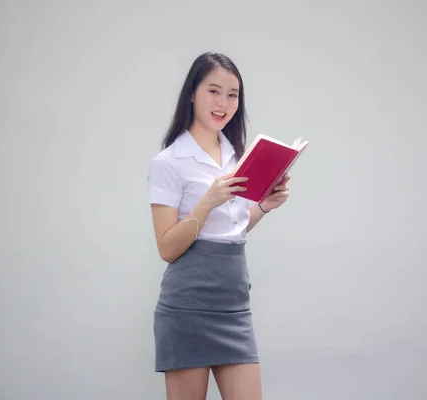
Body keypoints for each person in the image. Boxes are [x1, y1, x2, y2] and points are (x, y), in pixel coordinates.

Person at [146, 51, 291, 400]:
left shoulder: (237, 156)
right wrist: (208, 201)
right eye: (214, 91)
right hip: (187, 306)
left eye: (232, 94)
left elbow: (231, 231)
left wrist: (263, 207)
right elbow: (167, 248)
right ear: (192, 93)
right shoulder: (168, 162)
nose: (223, 103)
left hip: (234, 304)